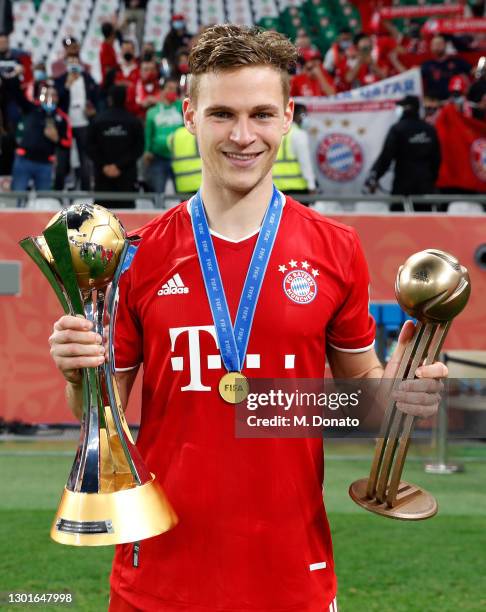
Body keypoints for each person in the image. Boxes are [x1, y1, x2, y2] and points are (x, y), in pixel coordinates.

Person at [49, 25, 447, 612]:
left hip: (290, 575)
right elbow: (101, 415)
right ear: (189, 115)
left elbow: (360, 402)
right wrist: (77, 369)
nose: (243, 135)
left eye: (261, 114)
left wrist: (399, 395)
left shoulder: (336, 249)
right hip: (158, 577)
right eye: (222, 114)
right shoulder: (137, 254)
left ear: (288, 117)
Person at [365, 95, 441, 211]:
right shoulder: (429, 130)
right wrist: (431, 180)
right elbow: (437, 160)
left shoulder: (398, 129)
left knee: (398, 223)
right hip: (425, 186)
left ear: (406, 108)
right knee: (424, 223)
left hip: (402, 186)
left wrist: (375, 176)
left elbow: (386, 157)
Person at [8, 80, 71, 196]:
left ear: (57, 98)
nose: (49, 98)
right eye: (46, 95)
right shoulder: (32, 108)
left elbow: (67, 143)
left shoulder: (62, 118)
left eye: (53, 95)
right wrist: (13, 77)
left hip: (45, 165)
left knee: (44, 202)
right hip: (23, 160)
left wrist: (56, 139)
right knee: (17, 200)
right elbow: (16, 95)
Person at [86, 84, 143, 208]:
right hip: (126, 179)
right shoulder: (134, 121)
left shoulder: (98, 121)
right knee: (126, 222)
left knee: (101, 220)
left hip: (102, 177)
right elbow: (138, 149)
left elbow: (89, 147)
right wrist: (119, 166)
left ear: (109, 99)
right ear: (126, 99)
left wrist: (105, 165)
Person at [54, 55, 98, 190]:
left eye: (76, 62)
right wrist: (67, 85)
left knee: (85, 159)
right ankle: (58, 191)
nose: (73, 65)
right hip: (65, 125)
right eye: (71, 62)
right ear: (66, 64)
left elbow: (96, 96)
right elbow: (56, 100)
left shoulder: (88, 79)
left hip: (83, 123)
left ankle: (86, 191)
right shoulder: (61, 80)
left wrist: (93, 110)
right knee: (62, 160)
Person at [143, 77, 183, 194]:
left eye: (175, 89)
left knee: (183, 196)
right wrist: (147, 150)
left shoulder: (182, 107)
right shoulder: (152, 112)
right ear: (162, 90)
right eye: (169, 88)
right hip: (158, 158)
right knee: (158, 193)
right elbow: (148, 133)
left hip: (178, 157)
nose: (173, 92)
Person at [273, 102, 316, 197]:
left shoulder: (276, 132)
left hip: (276, 189)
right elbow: (305, 163)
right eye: (303, 115)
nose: (305, 118)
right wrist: (311, 186)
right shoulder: (299, 135)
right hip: (298, 189)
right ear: (294, 115)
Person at [421, 34, 471, 101]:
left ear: (445, 45)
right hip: (433, 101)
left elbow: (470, 74)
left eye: (439, 44)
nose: (437, 47)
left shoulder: (456, 62)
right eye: (434, 44)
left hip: (453, 100)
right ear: (431, 47)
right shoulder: (427, 64)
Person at [168, 124, 201, 193]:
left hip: (181, 184)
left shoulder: (172, 136)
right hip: (199, 182)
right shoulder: (197, 132)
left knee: (186, 204)